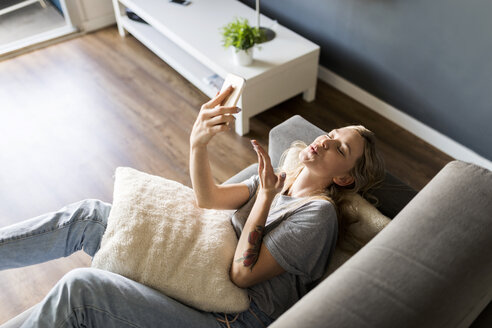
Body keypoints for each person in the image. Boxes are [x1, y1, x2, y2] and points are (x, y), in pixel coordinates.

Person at [0, 86, 385, 328]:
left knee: (83, 290)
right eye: (332, 134)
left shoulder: (317, 215)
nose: (326, 140)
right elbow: (210, 198)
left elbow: (242, 276)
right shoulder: (281, 176)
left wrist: (265, 198)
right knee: (90, 215)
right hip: (205, 272)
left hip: (230, 316)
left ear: (344, 179)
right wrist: (198, 143)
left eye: (341, 149)